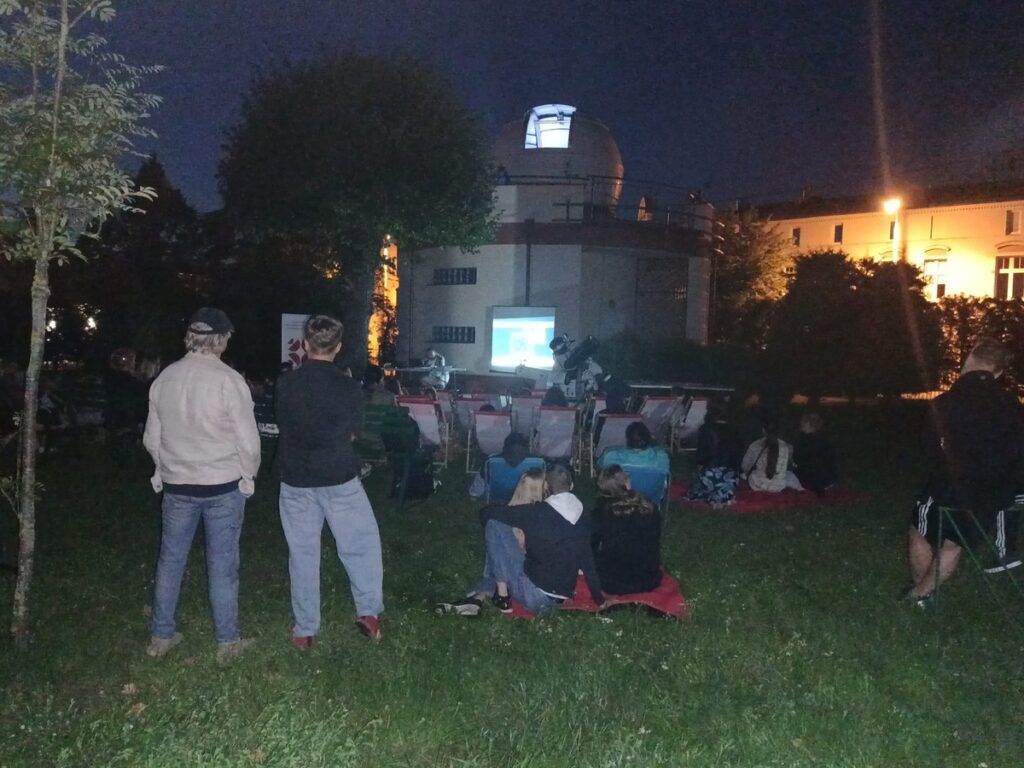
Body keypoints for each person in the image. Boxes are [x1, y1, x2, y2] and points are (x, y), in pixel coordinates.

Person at [143, 308, 261, 660]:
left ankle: (161, 637)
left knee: (170, 560)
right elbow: (249, 442)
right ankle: (227, 642)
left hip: (178, 485)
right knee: (223, 563)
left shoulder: (165, 379)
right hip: (221, 485)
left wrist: (162, 469)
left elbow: (152, 438)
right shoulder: (229, 381)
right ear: (221, 339)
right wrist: (248, 475)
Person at [275, 315, 385, 646]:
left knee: (303, 553)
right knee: (361, 545)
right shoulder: (349, 387)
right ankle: (368, 612)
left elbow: (285, 426)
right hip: (338, 474)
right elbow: (354, 432)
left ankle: (305, 630)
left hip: (296, 477)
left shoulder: (286, 384)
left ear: (306, 345)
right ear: (337, 348)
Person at [907, 338, 1024, 605]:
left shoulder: (947, 402)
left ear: (970, 357)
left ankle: (919, 595)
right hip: (994, 493)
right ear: (998, 372)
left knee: (919, 530)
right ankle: (923, 597)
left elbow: (930, 449)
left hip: (952, 486)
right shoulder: (1012, 406)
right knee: (953, 543)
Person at [437, 463, 604, 617]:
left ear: (546, 486)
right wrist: (599, 599)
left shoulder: (535, 513)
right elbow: (587, 559)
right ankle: (478, 598)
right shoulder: (584, 515)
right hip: (557, 600)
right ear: (572, 486)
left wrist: (509, 512)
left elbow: (486, 513)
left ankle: (502, 595)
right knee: (502, 550)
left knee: (495, 525)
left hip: (535, 597)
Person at [591, 465, 662, 595]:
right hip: (649, 578)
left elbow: (592, 546)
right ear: (627, 484)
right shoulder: (649, 507)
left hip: (614, 583)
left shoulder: (600, 514)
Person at [686, 397, 744, 505]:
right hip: (730, 476)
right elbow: (739, 455)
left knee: (700, 482)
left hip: (710, 473)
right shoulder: (735, 430)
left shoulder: (706, 429)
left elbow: (701, 456)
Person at [740, 417, 801, 493]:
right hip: (779, 485)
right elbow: (787, 466)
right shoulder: (786, 447)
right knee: (790, 476)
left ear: (763, 430)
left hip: (758, 484)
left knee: (748, 475)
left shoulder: (756, 445)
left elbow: (745, 466)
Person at [468, 431, 533, 499]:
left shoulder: (491, 461)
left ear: (505, 447)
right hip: (526, 493)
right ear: (526, 447)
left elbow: (481, 478)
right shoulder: (536, 461)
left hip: (496, 493)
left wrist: (474, 493)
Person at [792, 412, 838, 496]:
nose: (801, 424)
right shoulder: (825, 441)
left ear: (809, 424)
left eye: (803, 422)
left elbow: (797, 460)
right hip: (826, 480)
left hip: (808, 480)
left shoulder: (802, 441)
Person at [598, 421, 670, 474]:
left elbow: (600, 466)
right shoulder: (661, 457)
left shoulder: (610, 455)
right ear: (648, 439)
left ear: (628, 439)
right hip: (651, 493)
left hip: (620, 493)